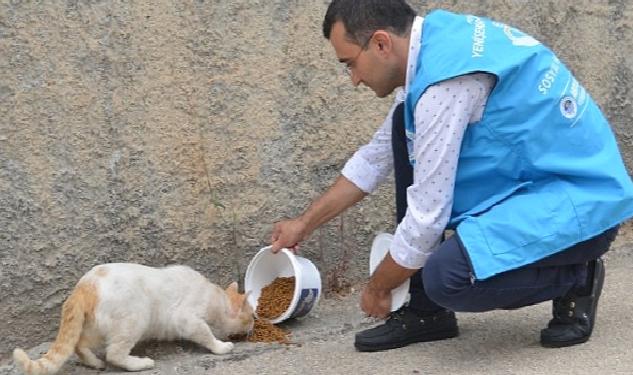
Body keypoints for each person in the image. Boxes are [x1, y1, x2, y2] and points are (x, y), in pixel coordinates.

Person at [270, 0, 633, 352]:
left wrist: (380, 286)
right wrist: (304, 224)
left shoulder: (444, 87)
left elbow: (427, 221)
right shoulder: (433, 49)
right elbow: (374, 158)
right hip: (537, 185)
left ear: (381, 43)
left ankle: (576, 277)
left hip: (584, 206)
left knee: (447, 277)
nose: (353, 79)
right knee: (402, 130)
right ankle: (427, 314)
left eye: (350, 64)